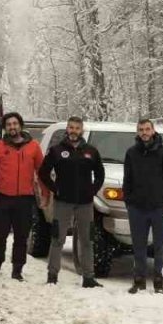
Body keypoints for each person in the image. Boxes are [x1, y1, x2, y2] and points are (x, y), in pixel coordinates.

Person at [39, 116, 105, 288]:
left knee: (87, 240)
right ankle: (52, 276)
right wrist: (55, 189)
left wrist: (92, 189)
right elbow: (43, 173)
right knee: (57, 238)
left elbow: (100, 174)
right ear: (67, 129)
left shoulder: (91, 151)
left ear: (81, 130)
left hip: (85, 203)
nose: (73, 130)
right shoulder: (57, 150)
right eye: (71, 127)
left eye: (77, 128)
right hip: (63, 202)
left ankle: (88, 277)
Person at [0, 112, 44, 281]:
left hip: (24, 199)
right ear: (5, 128)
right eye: (9, 124)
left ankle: (17, 271)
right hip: (2, 198)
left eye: (15, 124)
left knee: (21, 237)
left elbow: (42, 171)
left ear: (20, 125)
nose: (12, 127)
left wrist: (45, 193)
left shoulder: (33, 146)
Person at [122, 118, 163, 294]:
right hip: (137, 208)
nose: (144, 132)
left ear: (153, 131)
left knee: (160, 246)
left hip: (159, 208)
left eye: (147, 129)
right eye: (141, 129)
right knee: (138, 245)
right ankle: (138, 280)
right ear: (137, 132)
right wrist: (129, 202)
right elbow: (127, 180)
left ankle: (159, 281)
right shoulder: (131, 153)